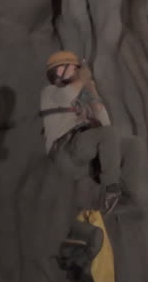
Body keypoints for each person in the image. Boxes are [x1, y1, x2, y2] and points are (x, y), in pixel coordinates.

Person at [38, 50, 140, 213]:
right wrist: (83, 80)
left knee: (129, 145)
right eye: (73, 68)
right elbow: (65, 96)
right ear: (58, 70)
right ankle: (111, 191)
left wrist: (92, 92)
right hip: (64, 150)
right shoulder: (49, 92)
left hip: (79, 155)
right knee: (109, 135)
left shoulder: (78, 98)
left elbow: (105, 125)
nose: (77, 71)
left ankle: (113, 199)